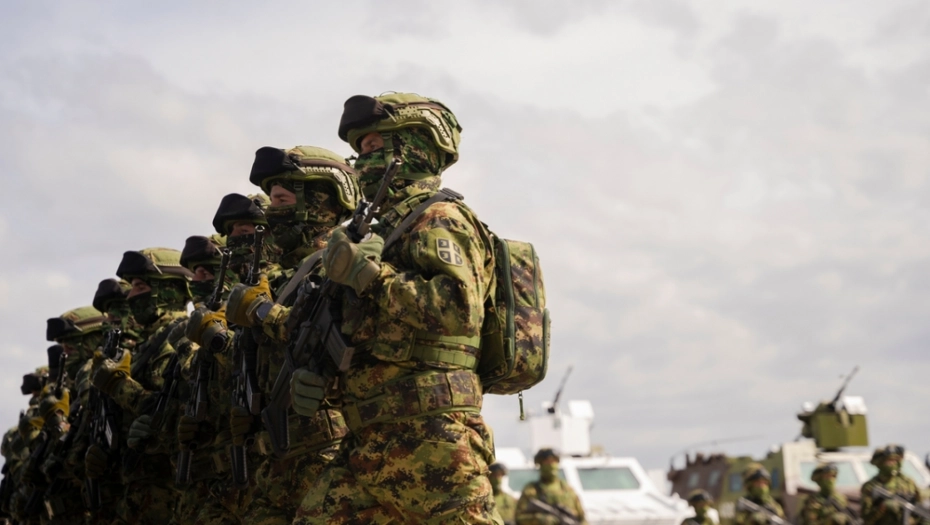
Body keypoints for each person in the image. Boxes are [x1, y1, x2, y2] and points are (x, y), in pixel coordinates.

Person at [292, 93, 501, 524]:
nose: (362, 160)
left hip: (432, 433)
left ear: (413, 145)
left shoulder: (439, 216)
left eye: (373, 145)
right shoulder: (381, 231)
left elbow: (458, 311)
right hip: (369, 436)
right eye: (361, 150)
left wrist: (368, 276)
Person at [90, 248, 193, 525]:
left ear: (168, 290)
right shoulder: (150, 343)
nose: (131, 297)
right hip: (141, 487)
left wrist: (118, 385)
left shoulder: (180, 339)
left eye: (140, 287)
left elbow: (171, 413)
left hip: (166, 487)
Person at [515, 448, 586, 525]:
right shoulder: (531, 490)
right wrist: (541, 519)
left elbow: (582, 518)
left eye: (554, 461)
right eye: (547, 462)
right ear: (540, 464)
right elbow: (519, 518)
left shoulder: (568, 489)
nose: (551, 465)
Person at [861, 445, 924, 525]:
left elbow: (918, 507)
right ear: (880, 463)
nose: (893, 463)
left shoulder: (908, 482)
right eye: (889, 461)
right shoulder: (870, 486)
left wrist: (912, 520)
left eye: (895, 460)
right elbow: (866, 520)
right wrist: (882, 508)